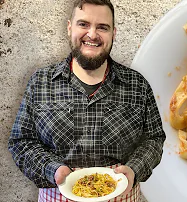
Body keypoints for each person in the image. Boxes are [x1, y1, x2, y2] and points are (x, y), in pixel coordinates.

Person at [8, 0, 166, 201]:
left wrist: (134, 169)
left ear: (113, 33)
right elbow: (21, 142)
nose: (92, 34)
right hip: (56, 193)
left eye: (102, 27)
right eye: (83, 24)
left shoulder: (137, 84)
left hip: (122, 194)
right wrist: (53, 170)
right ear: (69, 28)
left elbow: (154, 139)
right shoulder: (40, 82)